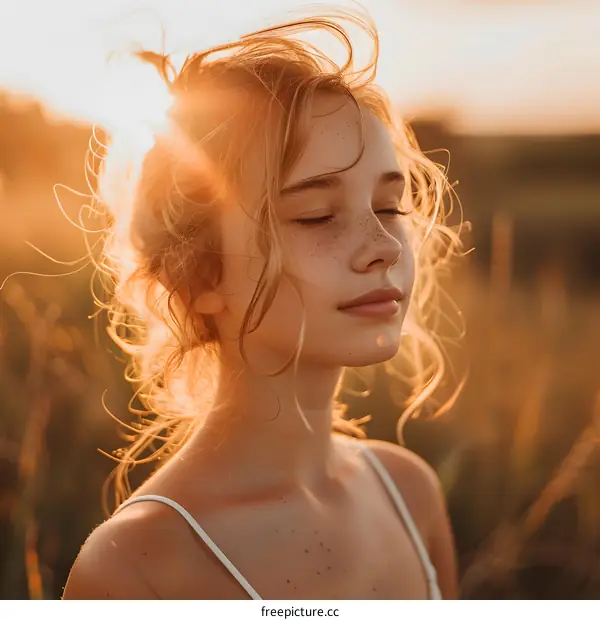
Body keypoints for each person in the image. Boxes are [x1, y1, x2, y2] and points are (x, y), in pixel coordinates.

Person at [62, 6, 462, 600]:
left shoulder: (409, 493)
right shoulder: (136, 569)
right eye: (316, 215)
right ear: (197, 273)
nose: (382, 247)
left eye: (388, 207)